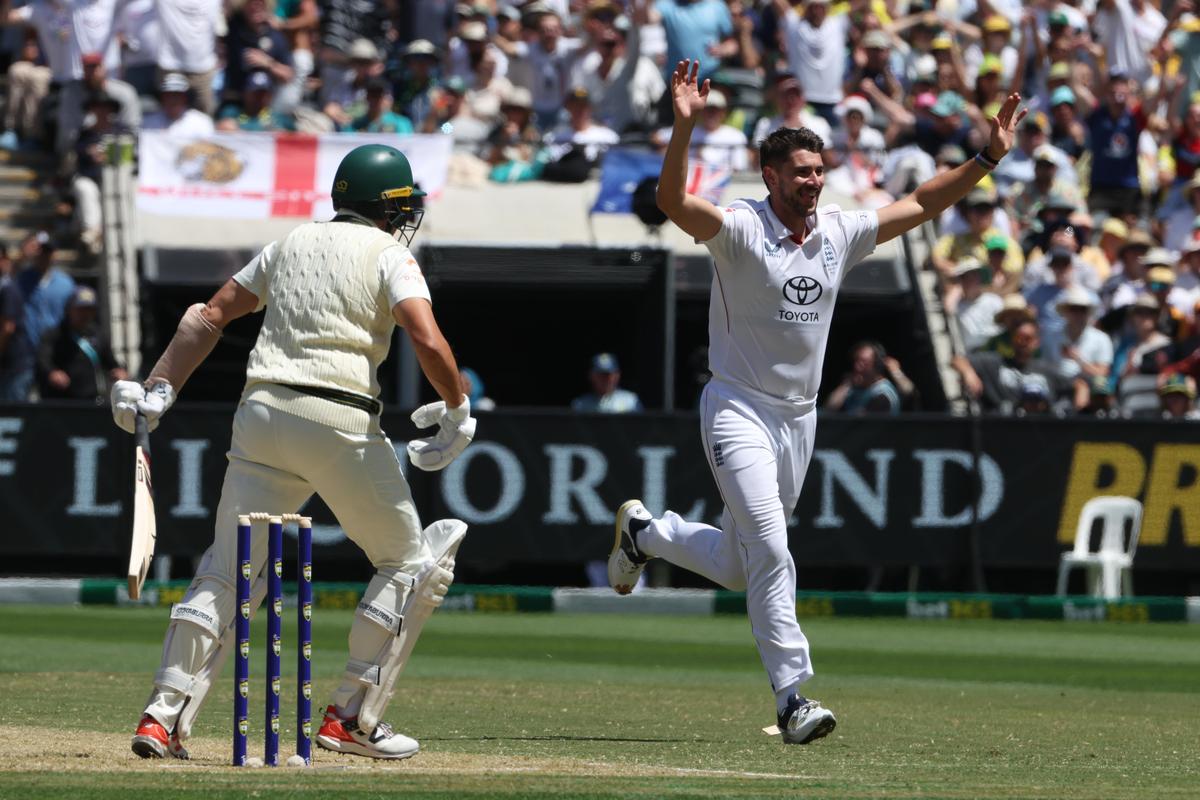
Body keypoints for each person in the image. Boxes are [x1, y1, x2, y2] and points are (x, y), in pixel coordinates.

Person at [608, 59, 1027, 744]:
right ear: (769, 176)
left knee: (740, 565)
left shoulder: (837, 231)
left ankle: (646, 535)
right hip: (738, 408)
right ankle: (792, 698)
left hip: (798, 420)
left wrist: (986, 159)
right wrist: (682, 129)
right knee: (772, 549)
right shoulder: (740, 228)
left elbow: (921, 204)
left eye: (819, 170)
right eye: (800, 172)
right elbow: (674, 203)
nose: (813, 180)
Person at [112, 144, 477, 761]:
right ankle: (349, 717)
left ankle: (160, 716)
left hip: (261, 413)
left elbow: (210, 316)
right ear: (389, 207)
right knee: (408, 563)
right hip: (338, 418)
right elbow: (427, 338)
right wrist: (458, 407)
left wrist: (159, 388)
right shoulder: (390, 255)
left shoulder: (290, 243)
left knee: (228, 569)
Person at [36, 285, 126, 402]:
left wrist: (118, 370)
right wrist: (52, 373)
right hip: (61, 400)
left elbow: (110, 361)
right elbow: (42, 360)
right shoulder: (54, 335)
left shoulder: (97, 334)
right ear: (69, 309)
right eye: (80, 309)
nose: (85, 314)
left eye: (89, 310)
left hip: (92, 400)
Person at [823, 341, 901, 414]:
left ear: (877, 365)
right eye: (855, 361)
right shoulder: (854, 388)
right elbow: (828, 410)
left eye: (864, 362)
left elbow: (859, 422)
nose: (857, 367)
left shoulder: (883, 395)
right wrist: (846, 385)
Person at [571, 352, 642, 412]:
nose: (605, 379)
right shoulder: (580, 404)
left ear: (617, 375)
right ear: (592, 376)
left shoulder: (631, 402)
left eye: (608, 375)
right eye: (601, 375)